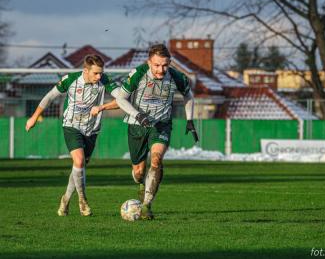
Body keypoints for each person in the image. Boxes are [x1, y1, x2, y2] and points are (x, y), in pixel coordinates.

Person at [26, 54, 119, 216]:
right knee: (79, 160)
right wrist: (34, 117)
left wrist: (103, 107)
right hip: (71, 125)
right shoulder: (71, 80)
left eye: (101, 73)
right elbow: (49, 97)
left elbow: (122, 99)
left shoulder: (105, 80)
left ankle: (65, 200)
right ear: (86, 70)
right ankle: (82, 200)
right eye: (95, 73)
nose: (99, 76)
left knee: (79, 168)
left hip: (91, 129)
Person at [115, 43, 198, 220]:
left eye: (165, 65)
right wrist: (137, 115)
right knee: (138, 172)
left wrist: (189, 119)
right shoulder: (138, 74)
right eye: (157, 65)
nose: (161, 70)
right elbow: (120, 99)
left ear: (170, 63)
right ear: (149, 62)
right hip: (137, 125)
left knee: (156, 160)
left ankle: (146, 205)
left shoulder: (176, 77)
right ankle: (140, 183)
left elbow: (189, 96)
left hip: (161, 124)